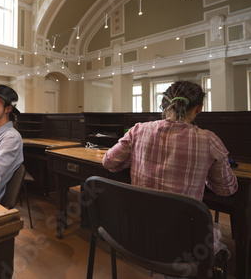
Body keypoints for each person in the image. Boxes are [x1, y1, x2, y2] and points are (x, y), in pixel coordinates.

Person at [102, 81, 238, 254]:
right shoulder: (209, 140)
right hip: (185, 241)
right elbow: (225, 189)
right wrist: (205, 174)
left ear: (163, 104)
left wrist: (134, 157)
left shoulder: (138, 130)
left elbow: (108, 162)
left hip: (137, 232)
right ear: (199, 109)